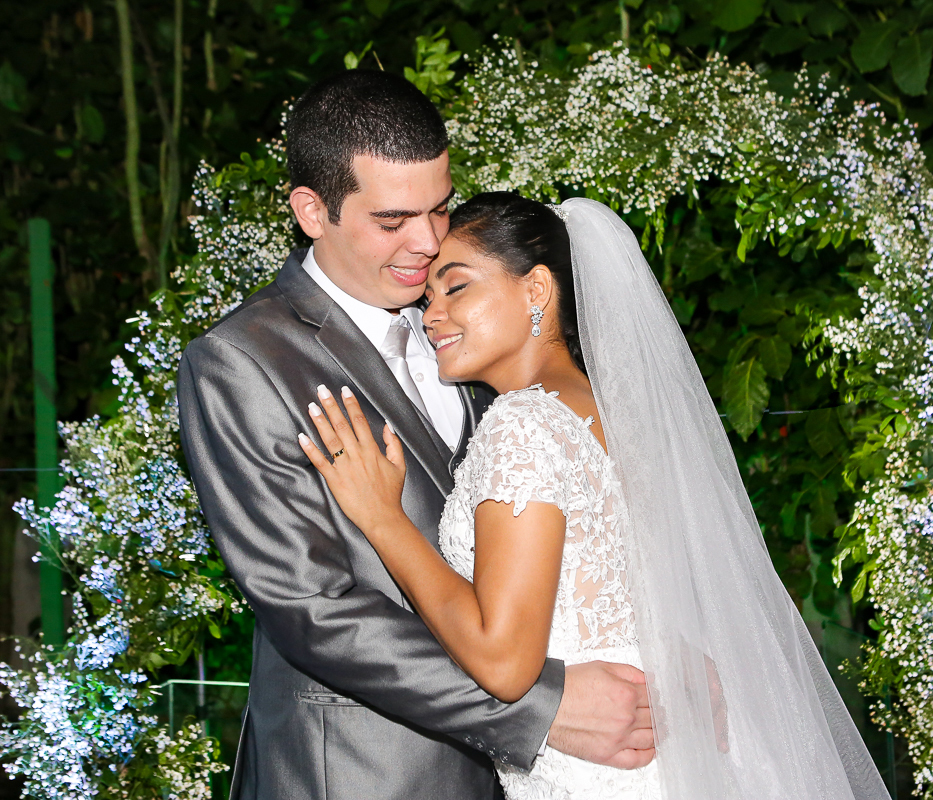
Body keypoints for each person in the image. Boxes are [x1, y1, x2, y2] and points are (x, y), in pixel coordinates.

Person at [297, 193, 893, 800]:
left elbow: (505, 665)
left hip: (601, 770)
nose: (432, 315)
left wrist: (383, 519)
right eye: (428, 299)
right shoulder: (610, 416)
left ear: (535, 291)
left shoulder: (523, 425)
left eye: (457, 288)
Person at [177, 72, 653, 800]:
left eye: (439, 208)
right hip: (368, 773)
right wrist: (543, 710)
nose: (429, 241)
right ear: (312, 211)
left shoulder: (474, 327)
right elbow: (316, 608)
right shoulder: (243, 363)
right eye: (394, 220)